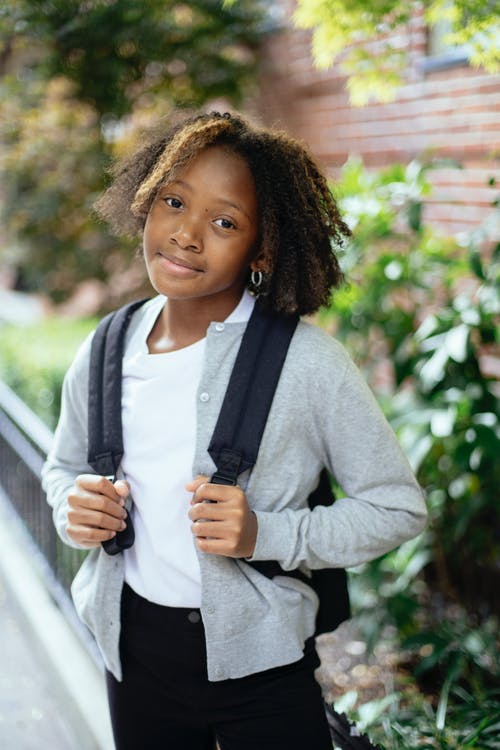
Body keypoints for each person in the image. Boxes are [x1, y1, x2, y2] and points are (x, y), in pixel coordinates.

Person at [42, 110, 427, 750]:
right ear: (146, 202)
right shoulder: (106, 348)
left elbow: (396, 508)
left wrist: (265, 533)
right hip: (133, 659)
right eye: (173, 202)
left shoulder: (308, 363)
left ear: (263, 247)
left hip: (263, 673)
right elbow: (61, 470)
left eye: (225, 222)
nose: (187, 235)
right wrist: (72, 507)